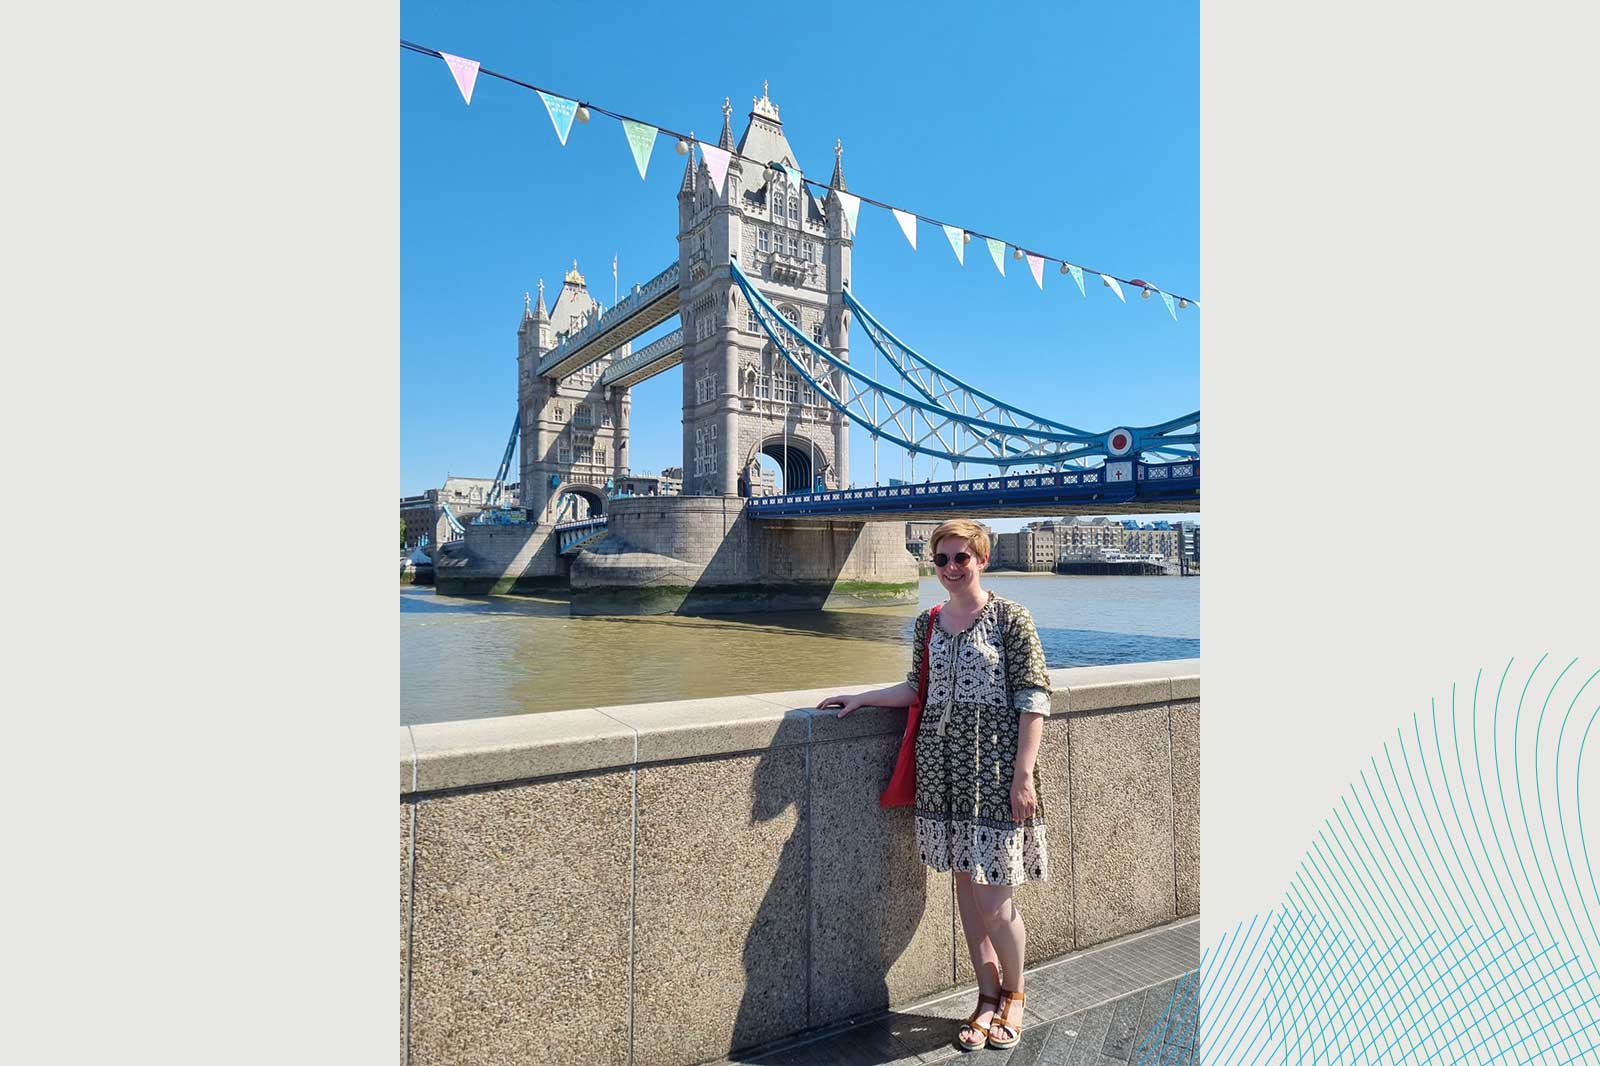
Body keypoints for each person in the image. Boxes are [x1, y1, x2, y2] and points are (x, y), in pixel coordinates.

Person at [816, 518, 1052, 1051]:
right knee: (966, 890)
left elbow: (1034, 697)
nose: (949, 568)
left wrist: (1023, 776)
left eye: (960, 558)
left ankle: (1016, 994)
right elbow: (914, 687)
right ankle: (985, 997)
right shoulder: (927, 623)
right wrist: (861, 698)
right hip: (941, 771)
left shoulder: (1012, 618)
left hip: (993, 771)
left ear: (981, 559)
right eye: (941, 559)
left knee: (995, 897)